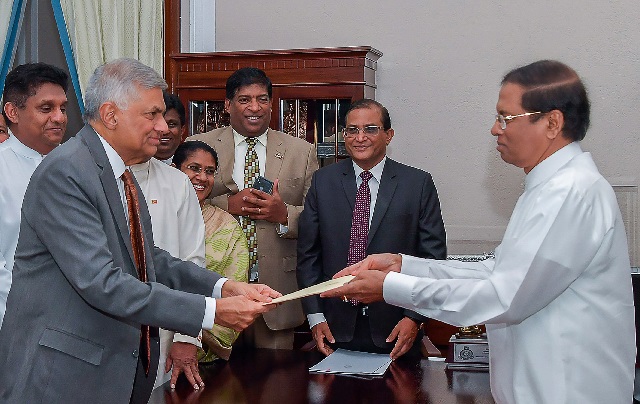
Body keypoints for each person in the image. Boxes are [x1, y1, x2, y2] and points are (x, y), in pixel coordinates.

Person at [325, 60, 636, 404]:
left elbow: (504, 297)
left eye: (505, 118)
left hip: (566, 389)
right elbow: (494, 270)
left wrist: (391, 287)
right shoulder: (547, 189)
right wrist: (404, 266)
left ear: (551, 122)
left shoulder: (571, 192)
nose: (494, 129)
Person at [0, 58, 279, 404]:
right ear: (111, 115)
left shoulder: (121, 173)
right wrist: (212, 312)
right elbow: (103, 283)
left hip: (109, 372)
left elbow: (147, 257)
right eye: (152, 115)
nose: (164, 127)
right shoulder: (67, 173)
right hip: (62, 377)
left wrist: (224, 287)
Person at [297, 99, 446, 360]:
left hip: (397, 327)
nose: (360, 138)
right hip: (333, 327)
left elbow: (431, 259)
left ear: (388, 135)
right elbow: (308, 254)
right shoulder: (323, 181)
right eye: (351, 130)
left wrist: (414, 318)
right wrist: (314, 316)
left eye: (370, 129)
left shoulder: (418, 183)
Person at [190, 67, 319, 349]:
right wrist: (228, 205)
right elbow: (182, 208)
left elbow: (317, 218)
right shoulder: (199, 146)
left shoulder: (302, 151)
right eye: (245, 99)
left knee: (275, 387)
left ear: (272, 104)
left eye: (262, 99)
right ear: (227, 105)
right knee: (213, 387)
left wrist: (283, 214)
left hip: (274, 292)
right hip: (215, 286)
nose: (255, 107)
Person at [130, 144, 207, 390]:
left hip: (164, 331)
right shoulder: (93, 176)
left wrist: (186, 336)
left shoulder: (178, 183)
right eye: (151, 115)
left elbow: (192, 262)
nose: (161, 127)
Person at [0, 63, 69, 328]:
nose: (59, 117)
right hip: (17, 327)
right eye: (46, 108)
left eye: (63, 108)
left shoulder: (82, 168)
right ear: (12, 112)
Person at [173, 140, 250, 362]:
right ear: (174, 170)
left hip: (202, 348)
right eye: (194, 168)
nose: (202, 177)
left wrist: (192, 335)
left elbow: (236, 289)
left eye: (209, 172)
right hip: (148, 337)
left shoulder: (226, 226)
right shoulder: (152, 213)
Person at [155, 91, 186, 163]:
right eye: (158, 124)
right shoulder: (130, 167)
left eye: (172, 124)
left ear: (182, 131)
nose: (165, 131)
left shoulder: (192, 165)